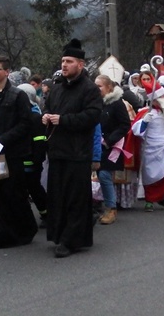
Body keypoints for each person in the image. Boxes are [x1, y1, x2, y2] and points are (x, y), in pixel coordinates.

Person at [43, 39, 103, 258]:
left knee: (75, 198)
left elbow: (92, 116)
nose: (64, 65)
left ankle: (72, 240)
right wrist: (47, 117)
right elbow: (48, 107)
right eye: (62, 61)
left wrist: (63, 120)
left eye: (68, 61)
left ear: (80, 64)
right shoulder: (57, 89)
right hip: (57, 151)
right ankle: (59, 235)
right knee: (57, 197)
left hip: (78, 153)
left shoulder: (90, 89)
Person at [0, 55, 38, 251]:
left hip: (12, 154)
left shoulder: (17, 96)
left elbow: (25, 124)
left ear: (7, 72)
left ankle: (23, 232)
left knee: (14, 194)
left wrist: (3, 139)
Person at [127, 74, 164, 211]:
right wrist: (144, 121)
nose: (163, 100)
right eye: (159, 98)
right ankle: (150, 200)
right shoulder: (146, 112)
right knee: (151, 176)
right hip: (150, 148)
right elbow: (136, 131)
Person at [94, 74, 131, 225]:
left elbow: (124, 125)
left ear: (109, 87)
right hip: (97, 144)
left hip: (112, 146)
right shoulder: (95, 103)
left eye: (99, 86)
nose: (96, 89)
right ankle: (97, 204)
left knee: (104, 175)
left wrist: (109, 141)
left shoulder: (116, 103)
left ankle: (111, 208)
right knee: (98, 174)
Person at [18, 83, 49, 228]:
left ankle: (47, 213)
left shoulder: (36, 117)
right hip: (21, 159)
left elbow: (39, 142)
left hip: (31, 161)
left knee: (34, 188)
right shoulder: (20, 115)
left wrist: (37, 161)